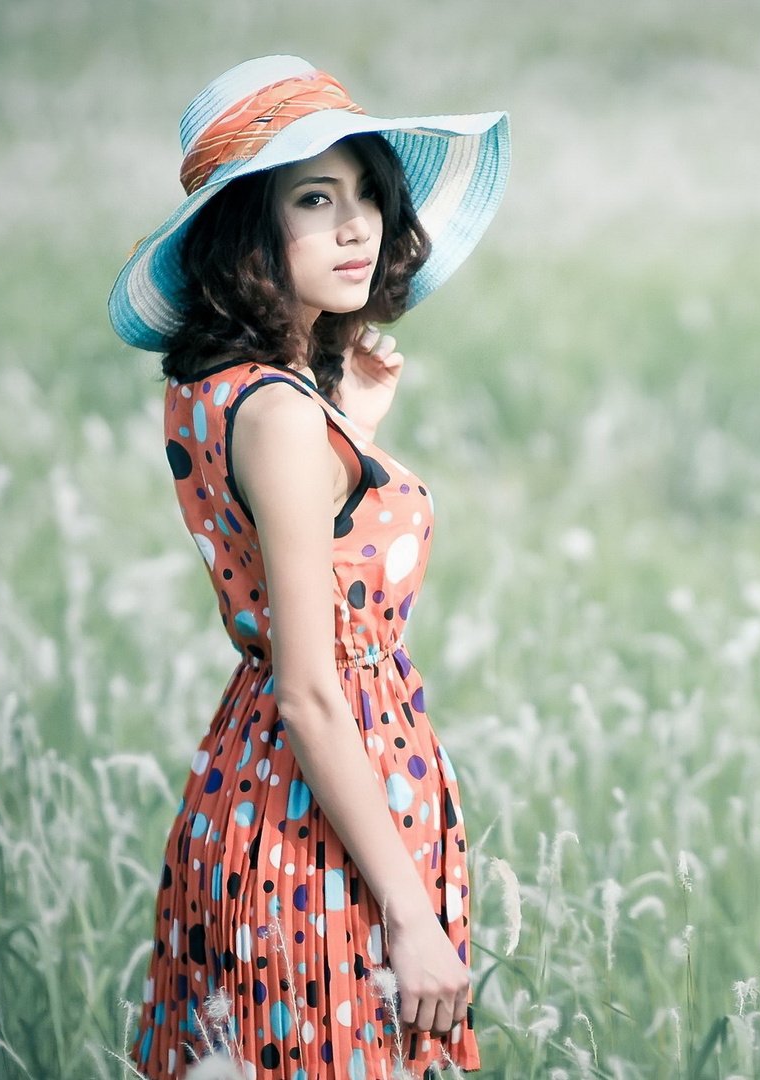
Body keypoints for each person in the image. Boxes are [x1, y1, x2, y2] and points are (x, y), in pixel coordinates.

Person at [107, 54, 510, 1079]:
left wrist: (352, 431)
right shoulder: (279, 417)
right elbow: (313, 694)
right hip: (318, 834)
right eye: (314, 199)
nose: (355, 227)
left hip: (253, 795)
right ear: (248, 229)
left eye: (367, 195)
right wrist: (412, 920)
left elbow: (279, 554)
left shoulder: (227, 391)